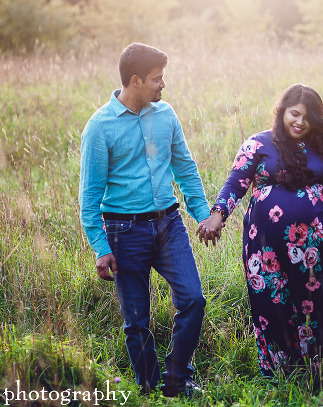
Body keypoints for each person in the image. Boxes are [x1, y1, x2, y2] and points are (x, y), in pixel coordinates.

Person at [78, 43, 219, 397]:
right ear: (136, 81)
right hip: (124, 231)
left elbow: (185, 169)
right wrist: (101, 247)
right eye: (157, 79)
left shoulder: (166, 115)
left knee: (193, 299)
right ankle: (149, 386)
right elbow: (89, 199)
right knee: (137, 320)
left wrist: (203, 215)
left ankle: (177, 378)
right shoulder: (99, 128)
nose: (163, 85)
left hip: (169, 224)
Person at [199, 83, 323, 377]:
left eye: (308, 117)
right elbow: (236, 182)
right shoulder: (258, 144)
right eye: (295, 114)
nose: (300, 122)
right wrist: (217, 214)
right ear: (282, 111)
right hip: (267, 247)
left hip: (318, 245)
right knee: (272, 299)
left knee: (317, 301)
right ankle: (281, 369)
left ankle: (321, 364)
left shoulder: (321, 145)